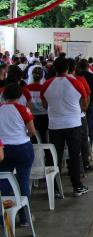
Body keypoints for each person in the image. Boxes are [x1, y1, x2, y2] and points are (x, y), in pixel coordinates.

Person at [41, 57, 89, 197]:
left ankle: (55, 188)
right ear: (68, 68)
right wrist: (78, 111)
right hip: (73, 123)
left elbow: (45, 105)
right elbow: (84, 101)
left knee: (55, 156)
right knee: (74, 155)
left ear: (54, 68)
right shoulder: (76, 82)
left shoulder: (47, 84)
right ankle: (77, 187)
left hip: (55, 125)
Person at [0, 83, 36, 226]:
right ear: (19, 96)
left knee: (5, 184)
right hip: (22, 149)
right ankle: (25, 218)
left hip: (3, 150)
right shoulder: (23, 109)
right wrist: (23, 134)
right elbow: (32, 131)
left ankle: (6, 217)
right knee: (23, 181)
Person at [25, 67, 49, 143]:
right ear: (42, 76)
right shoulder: (45, 88)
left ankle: (35, 153)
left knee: (33, 138)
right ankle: (46, 153)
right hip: (44, 115)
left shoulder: (26, 88)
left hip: (31, 116)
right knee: (44, 137)